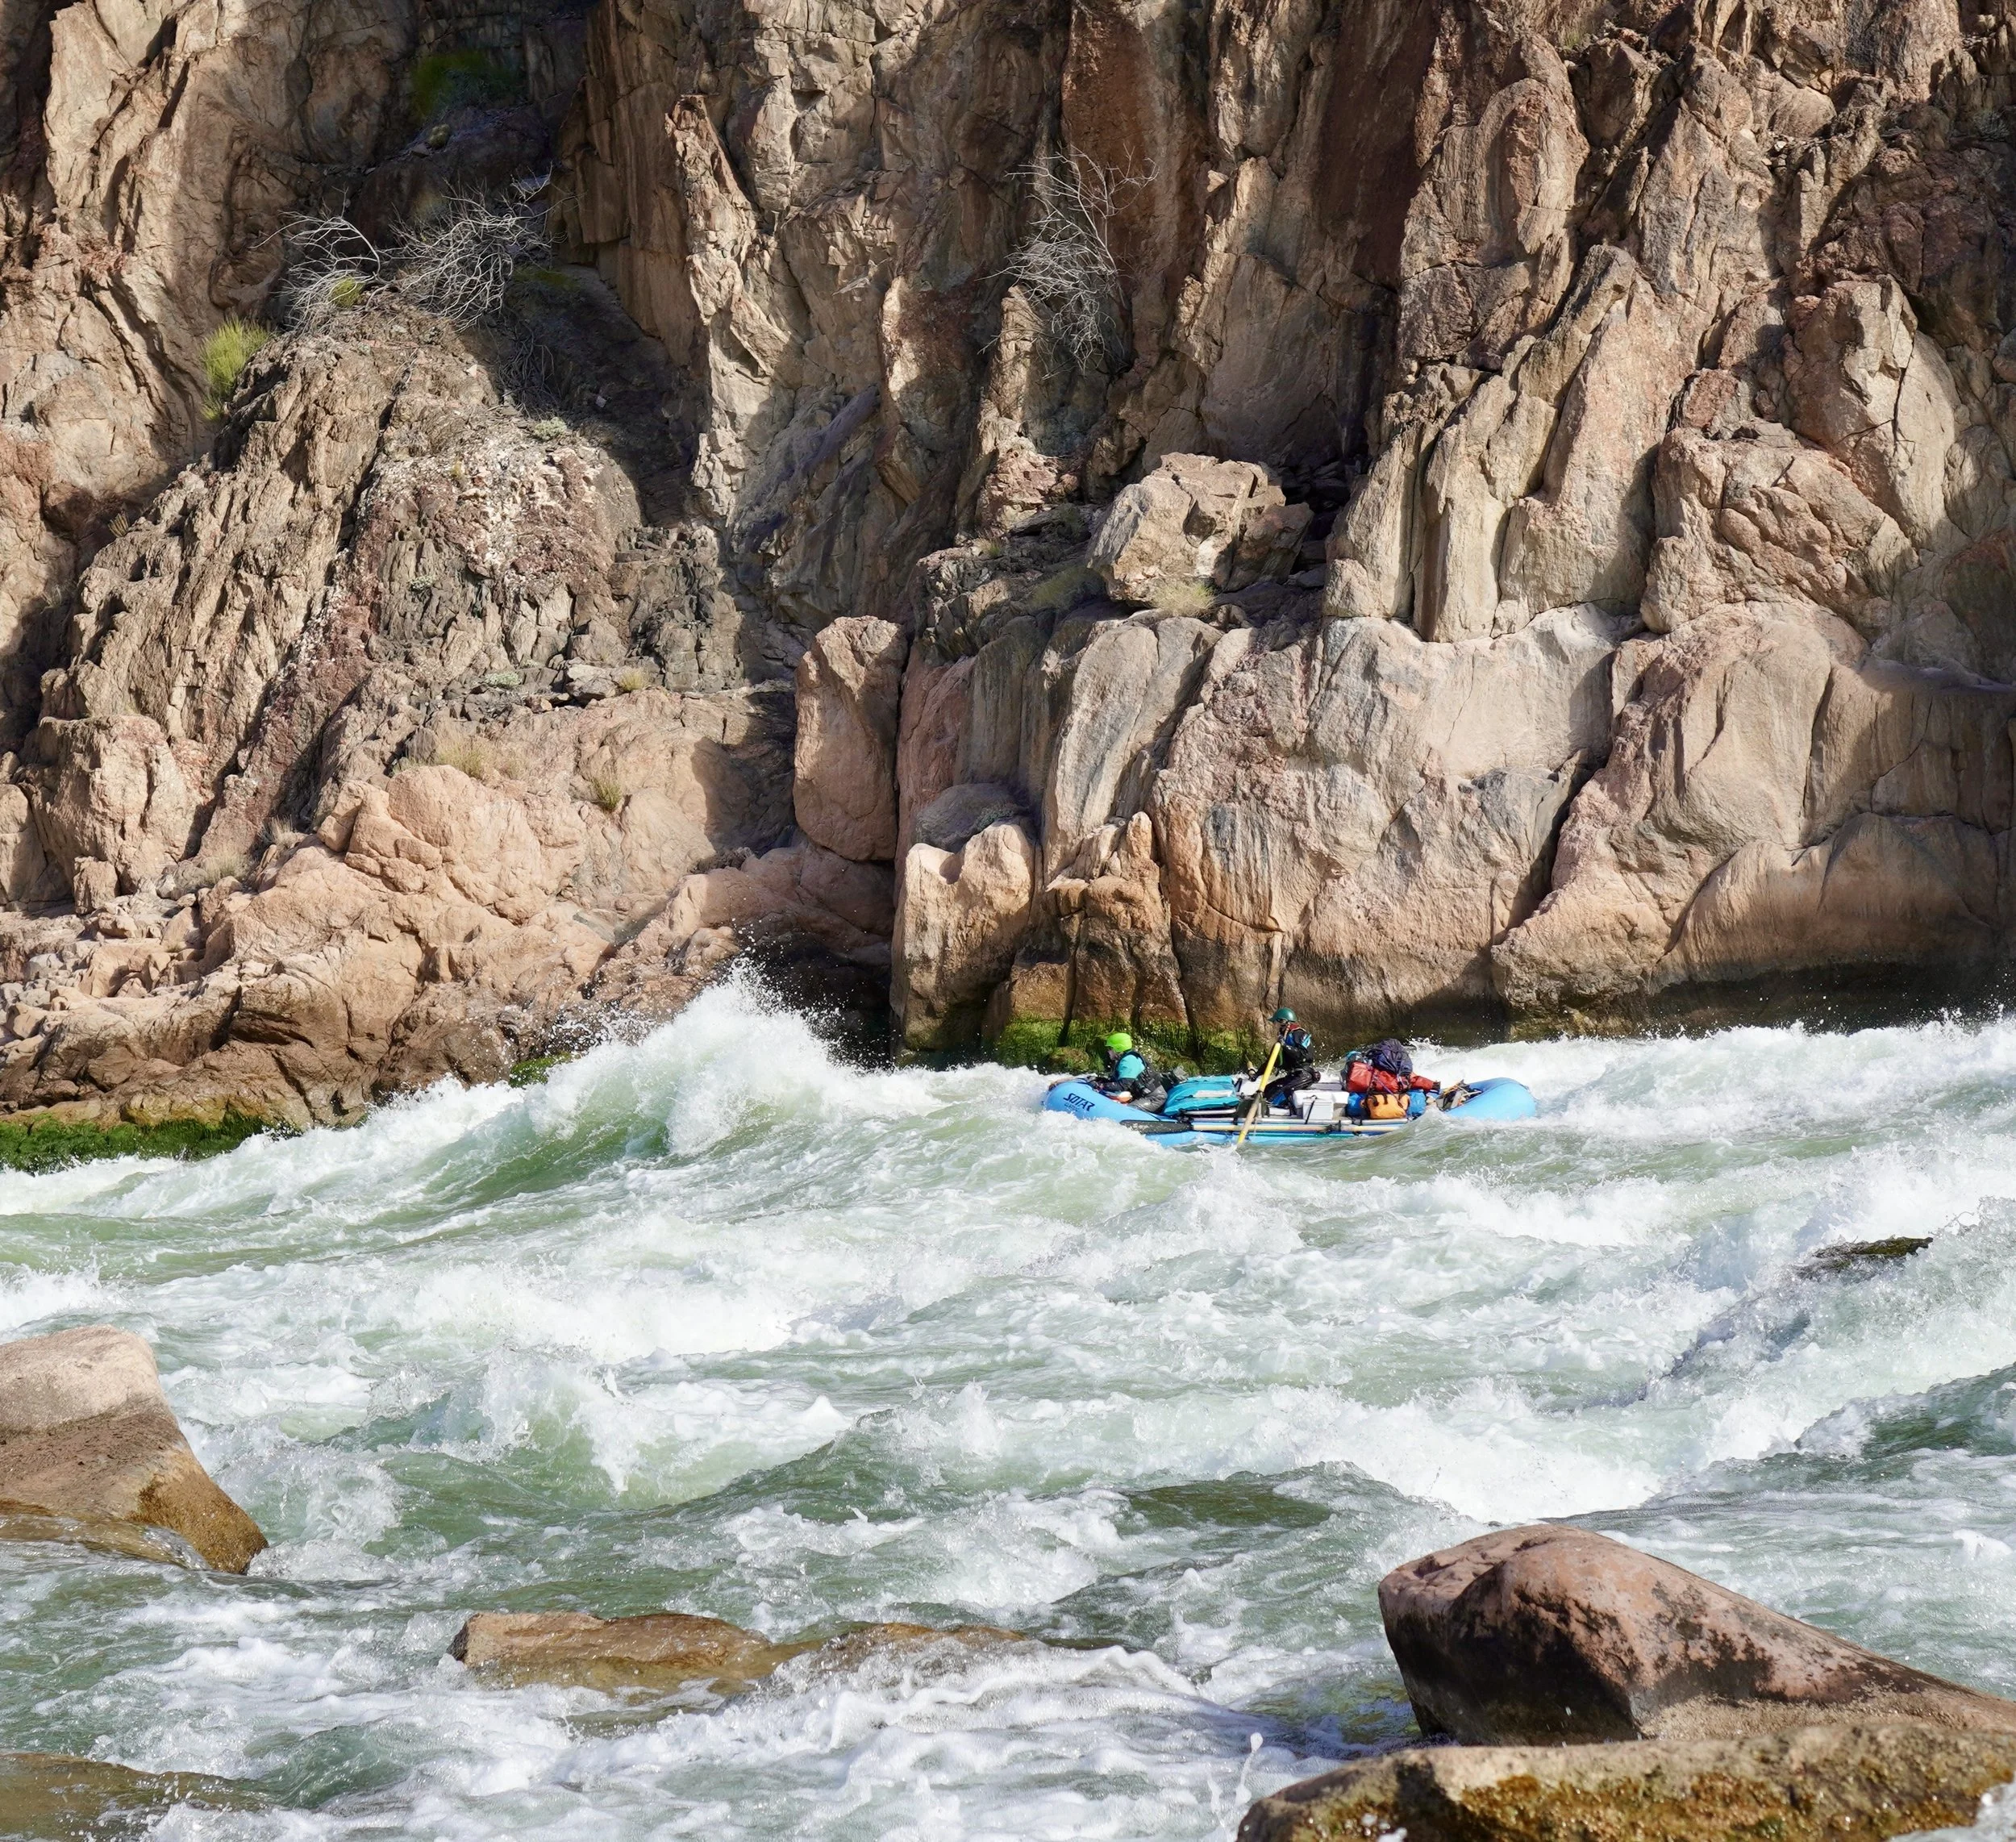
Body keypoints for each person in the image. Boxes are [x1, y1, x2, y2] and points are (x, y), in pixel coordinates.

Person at [1263, 1007, 1320, 1108]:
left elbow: (1301, 1055)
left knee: (1274, 1097)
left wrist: (1284, 1045)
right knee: (1267, 1090)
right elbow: (1271, 1062)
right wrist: (1257, 1075)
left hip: (1304, 1075)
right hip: (1294, 1075)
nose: (1275, 1026)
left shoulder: (1299, 1034)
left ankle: (1275, 1111)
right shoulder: (1284, 1037)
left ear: (1284, 1022)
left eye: (1276, 1023)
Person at [1097, 1031, 1167, 1111]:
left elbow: (1122, 1086)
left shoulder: (1129, 1061)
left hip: (1154, 1099)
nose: (1108, 1051)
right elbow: (1116, 1082)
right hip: (1143, 1096)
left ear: (1118, 1048)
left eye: (1110, 1048)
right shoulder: (1125, 1059)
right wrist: (1099, 1080)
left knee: (1125, 1110)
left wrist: (1101, 1086)